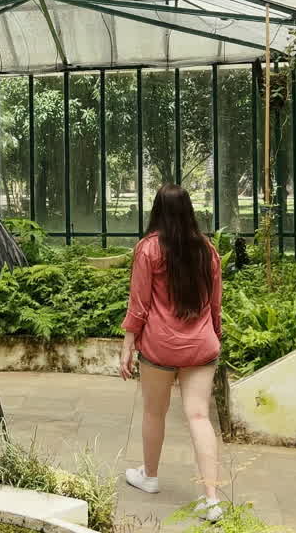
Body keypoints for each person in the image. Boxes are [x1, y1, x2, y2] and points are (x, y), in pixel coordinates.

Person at [119, 183, 224, 522]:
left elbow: (139, 304)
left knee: (154, 413)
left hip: (160, 346)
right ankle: (212, 499)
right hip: (201, 346)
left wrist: (128, 345)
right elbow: (216, 304)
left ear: (157, 210)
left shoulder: (148, 249)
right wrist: (214, 336)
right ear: (190, 210)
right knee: (198, 416)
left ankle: (150, 477)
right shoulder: (206, 250)